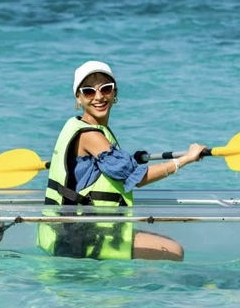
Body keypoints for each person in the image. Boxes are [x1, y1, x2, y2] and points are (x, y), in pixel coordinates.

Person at [37, 60, 205, 261]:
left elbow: (97, 167)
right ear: (78, 98)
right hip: (84, 237)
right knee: (173, 251)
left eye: (106, 89)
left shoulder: (76, 126)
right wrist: (186, 159)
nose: (99, 97)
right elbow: (139, 179)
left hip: (65, 232)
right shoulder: (91, 136)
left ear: (115, 93)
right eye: (89, 91)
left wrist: (129, 161)